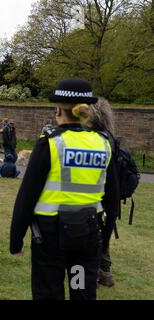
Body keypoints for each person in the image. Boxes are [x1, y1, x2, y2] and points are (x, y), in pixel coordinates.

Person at [9, 78, 119, 300]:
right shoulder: (104, 143)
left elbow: (26, 197)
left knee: (49, 291)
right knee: (80, 290)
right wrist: (104, 239)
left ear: (58, 109)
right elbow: (113, 200)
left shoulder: (50, 143)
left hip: (50, 238)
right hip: (87, 235)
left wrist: (16, 240)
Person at [83, 98, 119, 287]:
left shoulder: (96, 139)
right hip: (108, 195)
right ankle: (104, 272)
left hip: (96, 195)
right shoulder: (110, 137)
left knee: (93, 237)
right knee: (102, 235)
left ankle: (93, 274)